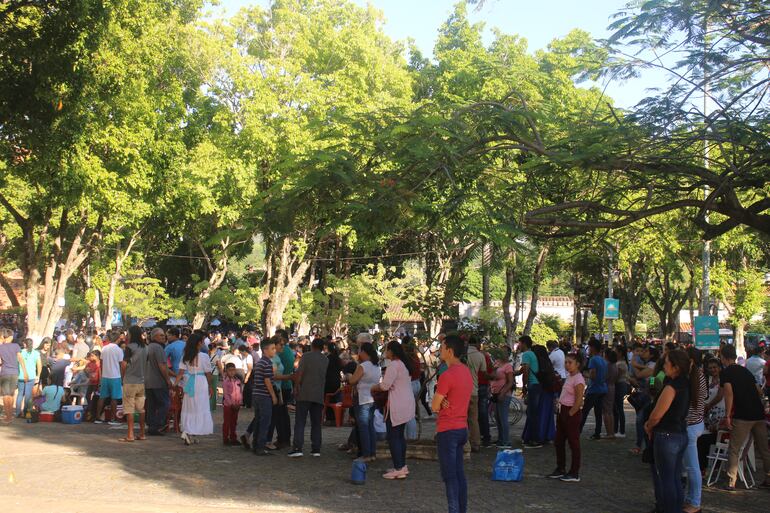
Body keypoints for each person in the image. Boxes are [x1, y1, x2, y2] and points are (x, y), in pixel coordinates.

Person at [644, 350, 690, 513]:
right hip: (679, 434)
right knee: (675, 478)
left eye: (666, 362)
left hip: (667, 435)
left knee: (667, 480)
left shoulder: (672, 387)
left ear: (676, 366)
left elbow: (657, 415)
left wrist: (649, 425)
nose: (664, 365)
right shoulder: (685, 383)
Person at [719, 343, 770, 491]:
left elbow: (728, 394)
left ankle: (731, 481)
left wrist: (727, 415)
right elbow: (759, 391)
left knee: (734, 449)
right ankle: (768, 478)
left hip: (742, 415)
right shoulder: (745, 371)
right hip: (758, 413)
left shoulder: (727, 373)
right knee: (764, 449)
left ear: (723, 357)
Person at [432, 334, 473, 513]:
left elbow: (434, 405)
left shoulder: (447, 375)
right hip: (462, 427)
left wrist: (442, 402)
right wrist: (443, 401)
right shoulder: (465, 371)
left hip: (448, 429)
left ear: (449, 351)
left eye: (442, 347)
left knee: (450, 477)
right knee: (459, 475)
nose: (439, 350)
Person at [372, 340, 416, 479]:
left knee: (393, 437)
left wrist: (373, 387)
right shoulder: (403, 364)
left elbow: (385, 386)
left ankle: (398, 468)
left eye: (387, 349)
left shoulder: (393, 365)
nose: (385, 352)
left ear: (391, 351)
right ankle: (401, 465)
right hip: (405, 403)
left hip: (397, 404)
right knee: (399, 436)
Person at [548, 351, 585, 483]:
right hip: (562, 410)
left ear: (577, 364)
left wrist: (570, 414)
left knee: (573, 443)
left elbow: (579, 401)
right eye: (566, 362)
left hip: (571, 413)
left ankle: (574, 472)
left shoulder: (578, 379)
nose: (567, 365)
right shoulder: (570, 376)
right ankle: (561, 468)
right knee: (558, 441)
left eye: (570, 362)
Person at [288, 338, 329, 458]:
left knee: (300, 421)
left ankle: (297, 447)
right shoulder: (325, 359)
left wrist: (296, 386)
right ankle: (316, 448)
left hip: (305, 392)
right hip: (318, 393)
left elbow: (300, 373)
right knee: (316, 423)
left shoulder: (306, 356)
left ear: (312, 346)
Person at [177, 333, 214, 445]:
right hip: (201, 383)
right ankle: (190, 431)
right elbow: (208, 374)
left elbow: (180, 373)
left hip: (189, 382)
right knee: (199, 407)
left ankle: (190, 431)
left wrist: (175, 385)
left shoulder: (185, 356)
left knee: (190, 407)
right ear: (199, 343)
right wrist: (210, 386)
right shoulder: (204, 356)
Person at [682, 347, 707, 513]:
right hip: (696, 423)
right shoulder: (699, 375)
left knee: (692, 467)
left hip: (690, 425)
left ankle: (695, 502)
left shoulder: (693, 377)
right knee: (690, 467)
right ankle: (691, 499)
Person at [347, 341, 381, 463]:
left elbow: (352, 380)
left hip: (363, 399)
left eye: (360, 351)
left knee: (364, 428)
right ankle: (372, 453)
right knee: (370, 426)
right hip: (372, 398)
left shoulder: (363, 366)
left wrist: (348, 376)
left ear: (364, 352)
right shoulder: (376, 366)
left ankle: (366, 454)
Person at [249, 337, 278, 456]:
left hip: (257, 394)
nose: (274, 350)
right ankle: (260, 446)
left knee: (258, 420)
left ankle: (256, 445)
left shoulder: (260, 362)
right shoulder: (267, 363)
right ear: (265, 350)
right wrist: (273, 396)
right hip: (264, 396)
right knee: (265, 422)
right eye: (272, 348)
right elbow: (267, 381)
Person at [120, 326, 147, 442]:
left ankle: (130, 435)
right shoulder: (145, 348)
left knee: (129, 408)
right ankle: (142, 433)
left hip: (130, 381)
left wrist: (123, 377)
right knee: (141, 409)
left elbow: (124, 364)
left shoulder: (130, 347)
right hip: (141, 381)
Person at [145, 327, 172, 436]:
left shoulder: (148, 347)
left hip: (148, 381)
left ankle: (151, 425)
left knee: (151, 405)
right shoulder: (158, 348)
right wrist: (168, 380)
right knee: (165, 403)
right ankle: (156, 425)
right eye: (161, 335)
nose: (163, 337)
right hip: (158, 381)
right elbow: (162, 366)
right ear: (155, 336)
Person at [517, 335, 542, 448]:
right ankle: (532, 438)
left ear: (524, 343)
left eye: (519, 343)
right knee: (532, 412)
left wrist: (524, 385)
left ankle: (534, 439)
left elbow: (525, 371)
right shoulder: (531, 353)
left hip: (533, 385)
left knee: (532, 413)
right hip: (537, 384)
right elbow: (522, 370)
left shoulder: (526, 354)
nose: (518, 345)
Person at [95, 333, 123, 425]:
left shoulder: (104, 348)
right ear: (118, 339)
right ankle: (112, 418)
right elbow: (121, 364)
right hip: (115, 376)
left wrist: (103, 374)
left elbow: (101, 363)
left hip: (105, 376)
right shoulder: (119, 350)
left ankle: (97, 417)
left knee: (102, 397)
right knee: (114, 398)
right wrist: (122, 377)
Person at [465, 336, 487, 451]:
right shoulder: (480, 355)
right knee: (473, 419)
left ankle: (464, 443)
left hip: (461, 391)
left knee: (462, 418)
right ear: (477, 343)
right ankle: (475, 443)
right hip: (474, 390)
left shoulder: (462, 354)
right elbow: (483, 372)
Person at [0, 328, 27, 424]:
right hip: (15, 372)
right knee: (11, 394)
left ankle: (7, 417)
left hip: (4, 373)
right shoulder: (16, 346)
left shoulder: (1, 347)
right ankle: (10, 416)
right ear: (11, 337)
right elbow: (21, 359)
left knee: (5, 395)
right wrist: (25, 372)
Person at [489, 348, 514, 448]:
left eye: (504, 352)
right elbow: (492, 376)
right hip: (494, 393)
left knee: (503, 418)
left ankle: (506, 441)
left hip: (504, 394)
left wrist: (503, 393)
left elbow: (510, 382)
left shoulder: (508, 366)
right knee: (497, 418)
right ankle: (501, 439)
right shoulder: (497, 363)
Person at [17, 338, 41, 416]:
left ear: (25, 344)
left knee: (20, 394)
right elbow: (39, 365)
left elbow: (16, 363)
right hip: (31, 376)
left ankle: (17, 412)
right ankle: (25, 412)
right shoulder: (36, 353)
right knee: (28, 395)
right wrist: (38, 375)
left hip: (21, 376)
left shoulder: (20, 352)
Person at [222, 362, 243, 445]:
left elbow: (240, 392)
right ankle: (225, 438)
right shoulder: (225, 381)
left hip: (236, 405)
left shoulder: (238, 380)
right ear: (226, 371)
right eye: (230, 370)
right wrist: (231, 404)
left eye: (233, 370)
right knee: (227, 422)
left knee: (234, 422)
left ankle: (233, 438)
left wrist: (240, 403)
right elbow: (226, 394)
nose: (232, 372)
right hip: (228, 405)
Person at [601, 348, 618, 439]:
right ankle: (611, 432)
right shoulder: (615, 365)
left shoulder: (607, 365)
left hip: (607, 387)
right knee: (610, 411)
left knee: (606, 412)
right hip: (612, 387)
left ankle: (609, 433)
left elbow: (604, 377)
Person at [614, 346, 629, 438]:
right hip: (619, 385)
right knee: (617, 408)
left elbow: (617, 376)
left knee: (619, 409)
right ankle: (616, 429)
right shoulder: (620, 363)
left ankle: (621, 430)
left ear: (620, 353)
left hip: (619, 385)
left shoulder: (621, 364)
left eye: (616, 351)